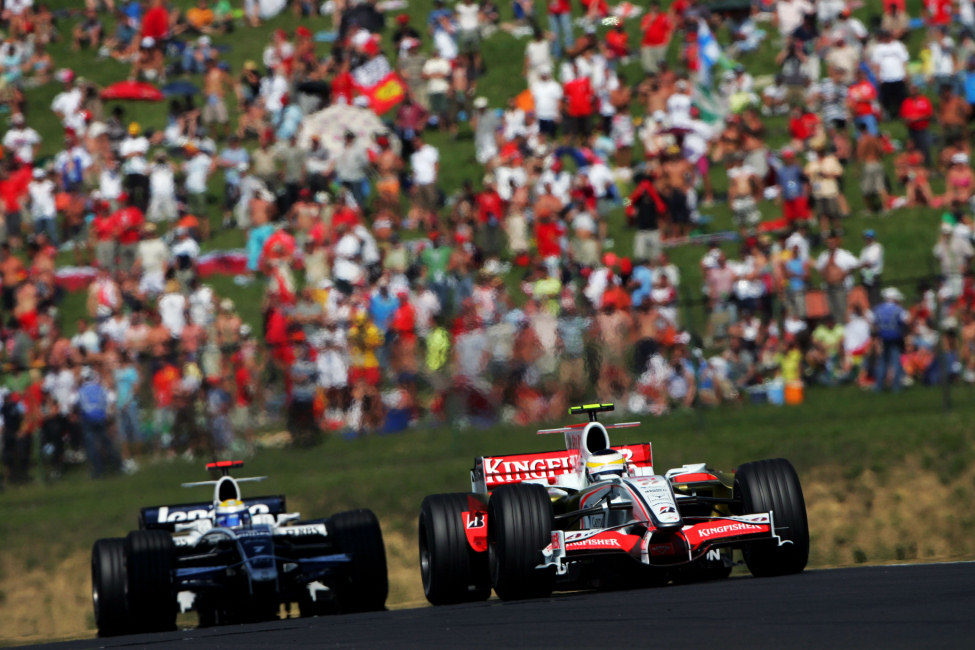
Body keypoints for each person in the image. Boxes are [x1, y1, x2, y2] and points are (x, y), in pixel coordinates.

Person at [77, 366, 120, 479]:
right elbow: (111, 398)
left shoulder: (81, 390)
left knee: (91, 446)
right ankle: (117, 465)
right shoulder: (100, 388)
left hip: (87, 419)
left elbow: (74, 402)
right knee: (107, 442)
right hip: (101, 418)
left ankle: (97, 470)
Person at [872, 287, 909, 392]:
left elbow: (872, 321)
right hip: (895, 337)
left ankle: (878, 386)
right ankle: (896, 386)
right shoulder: (898, 310)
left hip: (883, 337)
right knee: (896, 361)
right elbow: (906, 320)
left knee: (882, 361)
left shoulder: (878, 309)